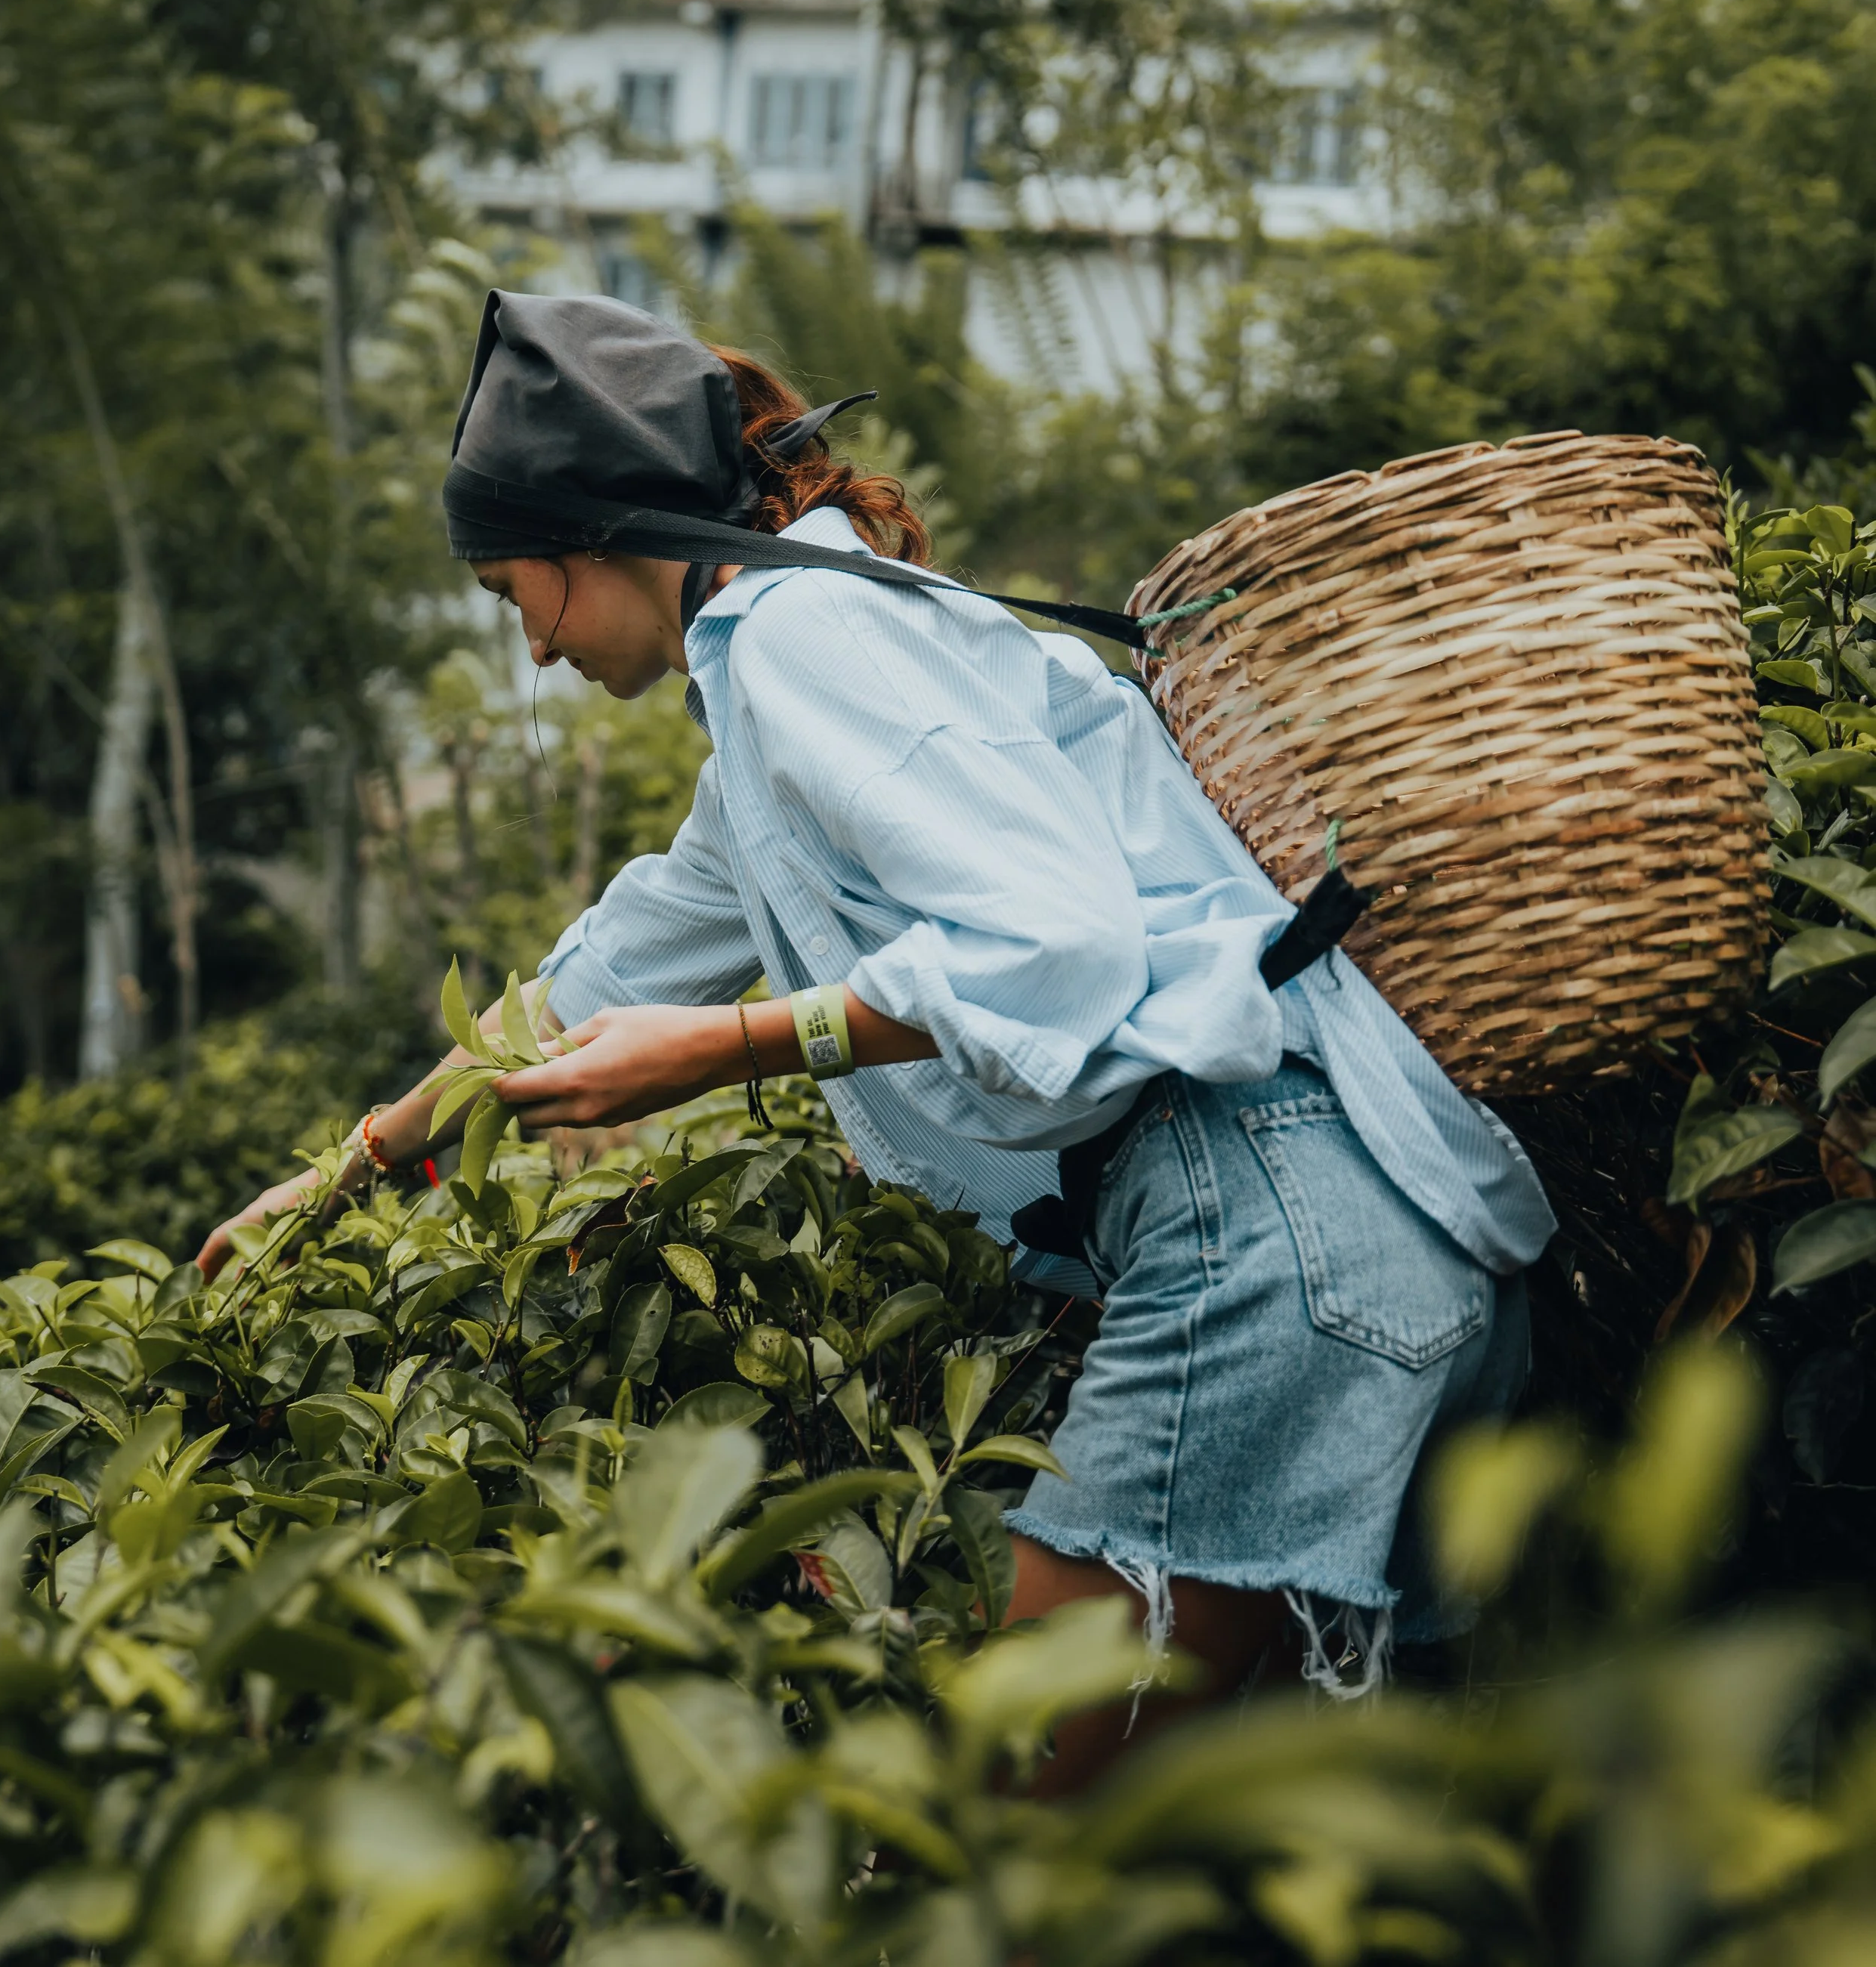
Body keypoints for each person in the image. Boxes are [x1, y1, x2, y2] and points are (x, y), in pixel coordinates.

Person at [200, 290, 1553, 1784]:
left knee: (1019, 1852)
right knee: (1246, 1871)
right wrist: (350, 1169)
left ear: (590, 534)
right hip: (1347, 1230)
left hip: (1260, 1236)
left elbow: (1058, 948)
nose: (526, 647)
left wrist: (724, 1048)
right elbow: (583, 986)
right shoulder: (791, 686)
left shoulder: (802, 632)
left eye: (508, 589)